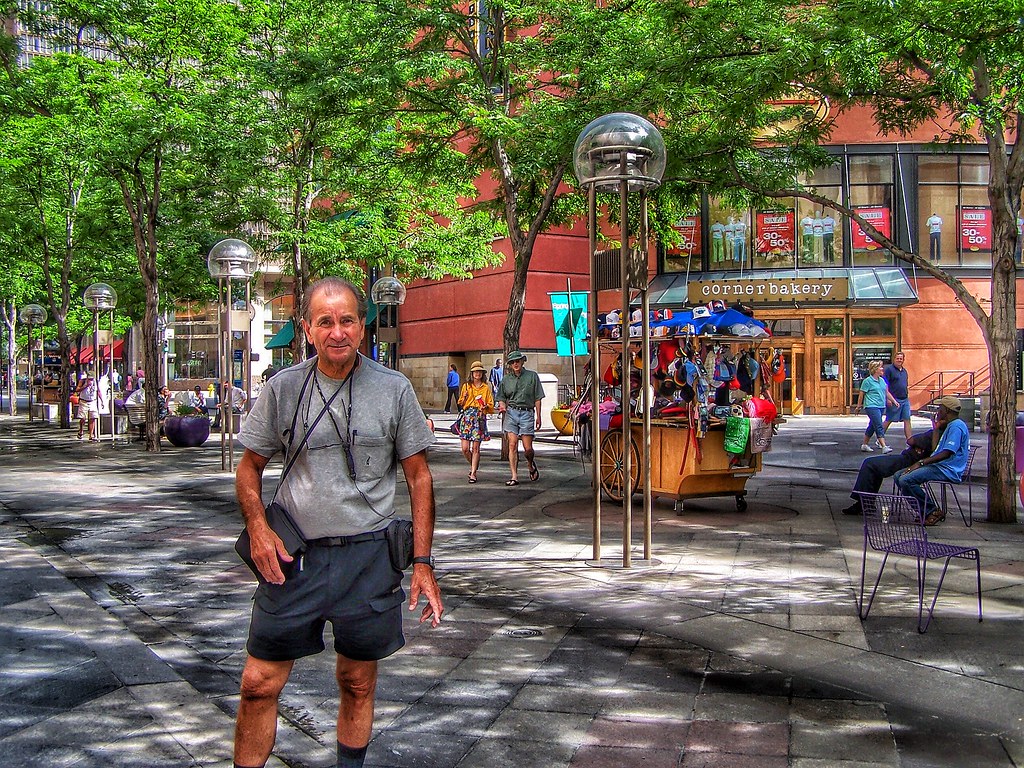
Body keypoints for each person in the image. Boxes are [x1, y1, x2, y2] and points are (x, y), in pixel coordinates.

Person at [232, 277, 442, 768]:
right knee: (258, 684)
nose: (337, 331)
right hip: (293, 559)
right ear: (307, 329)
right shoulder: (283, 389)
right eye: (324, 321)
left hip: (369, 558)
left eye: (347, 320)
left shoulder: (394, 390)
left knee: (357, 680)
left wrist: (423, 563)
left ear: (362, 327)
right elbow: (249, 469)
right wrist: (259, 528)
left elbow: (420, 478)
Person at [894, 396, 971, 525]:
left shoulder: (956, 427)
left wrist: (921, 463)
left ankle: (931, 510)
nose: (938, 411)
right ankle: (923, 510)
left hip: (947, 469)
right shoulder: (948, 425)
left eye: (940, 408)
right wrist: (936, 428)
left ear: (946, 410)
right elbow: (936, 449)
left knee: (905, 479)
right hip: (940, 466)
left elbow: (947, 453)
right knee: (898, 475)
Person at [841, 429, 939, 516]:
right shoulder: (938, 429)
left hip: (911, 461)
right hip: (910, 458)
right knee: (874, 466)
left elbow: (910, 441)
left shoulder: (940, 430)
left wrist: (933, 430)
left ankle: (864, 503)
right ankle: (865, 502)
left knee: (870, 464)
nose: (937, 415)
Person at [496, 350, 544, 486]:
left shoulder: (532, 376)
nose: (515, 364)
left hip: (527, 413)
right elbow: (501, 397)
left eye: (517, 361)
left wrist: (539, 416)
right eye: (512, 362)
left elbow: (538, 397)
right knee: (512, 444)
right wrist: (502, 406)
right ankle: (514, 476)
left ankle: (530, 463)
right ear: (510, 364)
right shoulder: (506, 379)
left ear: (522, 361)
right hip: (511, 413)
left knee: (527, 448)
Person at [457, 361, 494, 484]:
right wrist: (465, 397)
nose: (477, 373)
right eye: (475, 371)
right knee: (465, 448)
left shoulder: (486, 388)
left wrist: (485, 407)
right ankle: (474, 464)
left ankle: (473, 473)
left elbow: (491, 405)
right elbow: (460, 402)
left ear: (482, 373)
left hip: (479, 417)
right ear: (472, 373)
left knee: (476, 448)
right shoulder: (466, 386)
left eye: (479, 371)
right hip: (467, 417)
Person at [857, 360, 898, 454]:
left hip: (880, 406)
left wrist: (894, 401)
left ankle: (865, 445)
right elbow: (862, 393)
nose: (882, 369)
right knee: (879, 425)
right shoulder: (867, 381)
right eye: (880, 367)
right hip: (871, 406)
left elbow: (886, 392)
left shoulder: (882, 380)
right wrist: (859, 406)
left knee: (872, 425)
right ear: (875, 369)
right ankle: (883, 446)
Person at [882, 352, 913, 441]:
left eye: (901, 359)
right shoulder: (889, 370)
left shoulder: (904, 371)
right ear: (894, 359)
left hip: (905, 399)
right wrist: (888, 398)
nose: (899, 360)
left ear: (903, 360)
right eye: (897, 358)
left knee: (907, 419)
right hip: (894, 399)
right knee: (889, 419)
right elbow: (885, 385)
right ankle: (880, 438)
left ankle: (909, 441)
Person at [74, 373, 100, 441]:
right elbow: (77, 390)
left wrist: (102, 400)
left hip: (92, 401)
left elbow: (98, 391)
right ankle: (81, 430)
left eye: (92, 379)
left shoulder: (96, 382)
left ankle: (91, 434)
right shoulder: (82, 381)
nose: (91, 380)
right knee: (83, 418)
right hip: (83, 401)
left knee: (93, 417)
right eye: (90, 378)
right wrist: (85, 386)